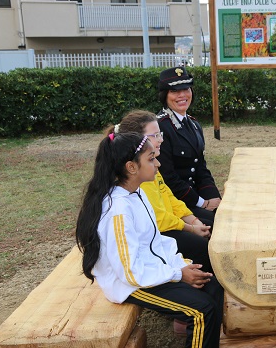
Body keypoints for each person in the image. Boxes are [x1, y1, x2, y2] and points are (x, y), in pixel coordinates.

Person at [75, 131, 223, 347]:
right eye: (151, 159)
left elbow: (156, 241)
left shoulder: (138, 193)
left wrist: (181, 265)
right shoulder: (119, 210)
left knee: (212, 285)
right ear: (131, 167)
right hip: (130, 284)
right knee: (202, 310)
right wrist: (178, 275)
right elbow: (130, 272)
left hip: (151, 270)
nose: (158, 164)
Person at [111, 110, 212, 272]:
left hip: (165, 225)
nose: (161, 140)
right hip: (158, 232)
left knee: (211, 223)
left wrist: (193, 221)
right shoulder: (139, 174)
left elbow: (169, 197)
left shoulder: (151, 165)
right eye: (155, 135)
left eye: (160, 134)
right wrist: (191, 228)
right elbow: (158, 219)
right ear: (138, 139)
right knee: (201, 246)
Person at [156, 67, 220, 225]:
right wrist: (202, 203)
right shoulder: (160, 127)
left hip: (194, 195)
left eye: (186, 89)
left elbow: (200, 168)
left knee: (227, 215)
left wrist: (213, 196)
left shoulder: (194, 124)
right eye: (174, 91)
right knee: (214, 225)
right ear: (165, 95)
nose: (182, 95)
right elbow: (168, 178)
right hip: (175, 201)